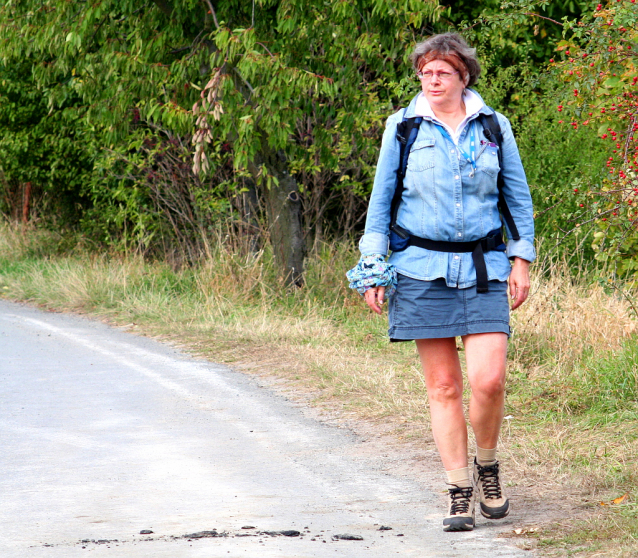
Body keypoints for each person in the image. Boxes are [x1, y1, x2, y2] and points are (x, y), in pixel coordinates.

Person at [346, 32, 535, 532]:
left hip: (484, 268)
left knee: (488, 381)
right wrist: (373, 266)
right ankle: (459, 491)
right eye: (425, 72)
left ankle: (488, 466)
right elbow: (380, 202)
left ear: (463, 76)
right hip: (420, 271)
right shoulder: (403, 127)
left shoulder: (494, 126)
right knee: (445, 387)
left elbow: (517, 199)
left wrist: (522, 260)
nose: (432, 80)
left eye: (442, 72)